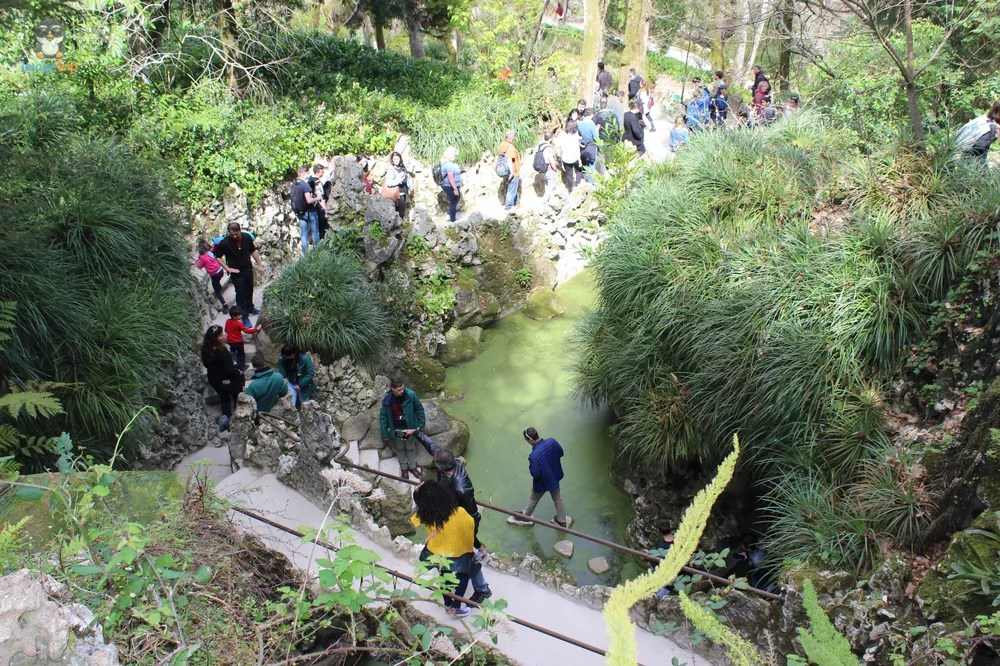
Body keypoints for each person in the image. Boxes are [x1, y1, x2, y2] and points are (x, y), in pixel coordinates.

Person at [415, 431, 492, 603]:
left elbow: (472, 516)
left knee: (468, 555)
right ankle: (481, 588)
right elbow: (432, 447)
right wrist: (416, 432)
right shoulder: (453, 464)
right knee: (467, 556)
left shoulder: (461, 489)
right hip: (452, 517)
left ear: (440, 467)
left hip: (462, 522)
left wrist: (473, 540)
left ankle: (482, 589)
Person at [411, 481, 487, 618]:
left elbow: (415, 520)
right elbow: (470, 533)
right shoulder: (460, 513)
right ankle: (456, 606)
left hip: (437, 550)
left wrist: (418, 492)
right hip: (458, 550)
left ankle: (447, 603)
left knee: (444, 573)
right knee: (463, 575)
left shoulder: (424, 514)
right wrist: (480, 547)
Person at [506, 427, 569, 528]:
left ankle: (525, 516)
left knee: (533, 499)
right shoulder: (552, 441)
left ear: (530, 440)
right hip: (554, 477)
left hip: (542, 482)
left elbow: (535, 474)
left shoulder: (534, 456)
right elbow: (561, 453)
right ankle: (562, 520)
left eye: (527, 440)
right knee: (557, 498)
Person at [214, 222, 264, 327]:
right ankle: (244, 315)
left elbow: (253, 250)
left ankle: (250, 307)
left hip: (248, 269)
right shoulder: (225, 243)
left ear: (240, 231)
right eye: (232, 234)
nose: (235, 236)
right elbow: (217, 256)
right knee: (240, 294)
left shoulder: (246, 237)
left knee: (249, 289)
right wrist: (227, 268)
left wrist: (259, 264)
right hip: (236, 272)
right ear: (229, 233)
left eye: (236, 234)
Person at [379, 377, 426, 480]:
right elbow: (383, 417)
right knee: (400, 448)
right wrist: (385, 432)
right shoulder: (387, 400)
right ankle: (404, 468)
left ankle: (413, 467)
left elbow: (419, 409)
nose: (402, 391)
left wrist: (421, 423)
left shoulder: (410, 395)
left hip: (409, 428)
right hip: (397, 429)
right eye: (399, 390)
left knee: (411, 448)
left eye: (403, 388)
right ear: (393, 389)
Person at [201, 325, 243, 432]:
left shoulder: (206, 350)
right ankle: (238, 420)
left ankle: (226, 421)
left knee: (224, 398)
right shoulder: (222, 351)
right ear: (216, 338)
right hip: (227, 380)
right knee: (237, 396)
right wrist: (238, 372)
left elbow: (206, 365)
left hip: (215, 380)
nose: (223, 336)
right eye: (221, 335)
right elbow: (229, 370)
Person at [291, 165, 322, 255]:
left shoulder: (294, 184)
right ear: (304, 173)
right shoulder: (305, 185)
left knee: (304, 234)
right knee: (315, 232)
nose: (308, 174)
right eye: (307, 172)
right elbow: (309, 200)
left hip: (300, 212)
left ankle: (305, 255)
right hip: (310, 212)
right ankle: (317, 253)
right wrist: (318, 198)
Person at [277, 344, 315, 409]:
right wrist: (284, 376)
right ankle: (293, 417)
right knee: (291, 404)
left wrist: (301, 384)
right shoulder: (283, 358)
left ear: (292, 355)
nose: (283, 357)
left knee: (305, 405)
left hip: (302, 385)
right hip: (290, 383)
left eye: (285, 356)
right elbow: (280, 363)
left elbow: (310, 373)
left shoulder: (305, 359)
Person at [195, 239, 228, 313]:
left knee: (217, 291)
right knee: (217, 282)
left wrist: (196, 259)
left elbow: (199, 266)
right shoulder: (212, 251)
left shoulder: (202, 257)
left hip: (214, 275)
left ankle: (225, 305)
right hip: (220, 270)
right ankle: (219, 286)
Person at [224, 306, 259, 370]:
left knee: (233, 352)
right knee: (241, 354)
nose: (241, 316)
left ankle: (233, 363)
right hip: (238, 342)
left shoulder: (227, 321)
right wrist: (256, 329)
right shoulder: (238, 324)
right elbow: (247, 331)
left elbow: (226, 330)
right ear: (234, 316)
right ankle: (242, 366)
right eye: (239, 315)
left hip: (230, 341)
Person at [497, 130, 521, 210]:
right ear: (511, 136)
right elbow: (510, 160)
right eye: (513, 134)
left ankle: (517, 203)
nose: (514, 136)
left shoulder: (502, 145)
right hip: (513, 171)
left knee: (513, 188)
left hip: (504, 170)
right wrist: (512, 173)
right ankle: (508, 207)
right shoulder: (510, 148)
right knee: (511, 189)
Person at [307, 163, 331, 240]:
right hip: (318, 206)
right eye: (321, 172)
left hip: (311, 206)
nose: (322, 174)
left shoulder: (310, 179)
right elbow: (320, 197)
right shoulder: (317, 182)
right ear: (317, 172)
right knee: (321, 226)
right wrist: (325, 209)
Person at [557, 120, 583, 193]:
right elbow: (577, 152)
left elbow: (560, 150)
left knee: (569, 174)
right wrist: (580, 161)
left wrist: (562, 162)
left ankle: (570, 189)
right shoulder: (574, 138)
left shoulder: (562, 137)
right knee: (579, 170)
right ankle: (577, 183)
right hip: (574, 158)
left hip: (565, 159)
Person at [385, 151, 411, 219]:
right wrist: (398, 180)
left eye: (398, 159)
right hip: (397, 195)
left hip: (404, 193)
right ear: (392, 160)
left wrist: (409, 189)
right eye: (394, 159)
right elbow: (389, 183)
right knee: (399, 213)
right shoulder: (391, 170)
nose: (396, 161)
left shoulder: (403, 168)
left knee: (402, 212)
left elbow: (407, 180)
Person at [440, 147, 463, 223]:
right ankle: (452, 219)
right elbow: (451, 178)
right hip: (450, 186)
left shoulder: (445, 162)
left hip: (448, 185)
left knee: (455, 199)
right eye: (454, 154)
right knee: (453, 201)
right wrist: (455, 189)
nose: (456, 156)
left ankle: (449, 214)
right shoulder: (449, 165)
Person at [538, 132, 559, 204]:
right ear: (550, 139)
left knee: (547, 185)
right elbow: (551, 160)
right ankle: (544, 201)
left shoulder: (540, 146)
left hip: (542, 169)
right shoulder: (548, 148)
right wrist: (555, 168)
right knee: (551, 186)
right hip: (549, 169)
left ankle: (549, 202)